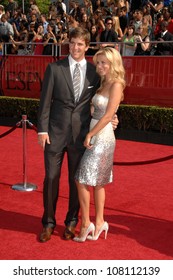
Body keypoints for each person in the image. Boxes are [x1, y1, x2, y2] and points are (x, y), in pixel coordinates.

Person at [37, 27, 102, 243]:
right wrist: (42, 130)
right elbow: (45, 102)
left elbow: (101, 101)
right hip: (54, 134)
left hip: (80, 136)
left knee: (77, 182)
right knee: (51, 178)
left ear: (87, 46)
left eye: (80, 44)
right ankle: (48, 222)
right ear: (69, 44)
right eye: (73, 43)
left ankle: (72, 222)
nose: (76, 47)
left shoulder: (94, 73)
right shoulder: (55, 68)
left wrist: (112, 117)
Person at [73, 47, 125, 242]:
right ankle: (99, 221)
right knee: (97, 182)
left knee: (81, 179)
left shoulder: (116, 84)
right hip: (98, 130)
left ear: (113, 63)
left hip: (102, 137)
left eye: (104, 62)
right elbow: (99, 110)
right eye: (98, 62)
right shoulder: (103, 83)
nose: (100, 66)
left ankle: (87, 223)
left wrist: (90, 134)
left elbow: (109, 114)